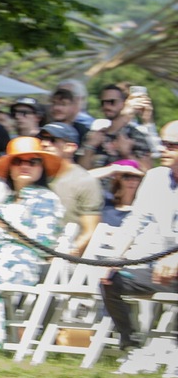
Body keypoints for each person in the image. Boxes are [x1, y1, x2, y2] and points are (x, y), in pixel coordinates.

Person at [0, 136, 65, 346]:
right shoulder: (9, 200)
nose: (25, 166)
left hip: (24, 263)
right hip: (0, 256)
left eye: (33, 161)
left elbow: (43, 244)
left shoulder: (47, 199)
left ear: (41, 168)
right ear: (10, 167)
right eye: (19, 161)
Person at [98, 121, 178, 351]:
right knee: (110, 281)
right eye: (163, 143)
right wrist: (114, 258)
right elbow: (134, 221)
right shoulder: (155, 177)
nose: (163, 149)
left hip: (172, 267)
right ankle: (130, 346)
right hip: (155, 269)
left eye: (172, 145)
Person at [38, 122, 102, 255]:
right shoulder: (35, 175)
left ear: (70, 147)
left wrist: (65, 256)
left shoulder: (85, 181)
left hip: (62, 260)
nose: (44, 144)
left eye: (52, 140)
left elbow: (90, 231)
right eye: (42, 139)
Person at [79, 84, 156, 171]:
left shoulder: (135, 136)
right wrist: (90, 146)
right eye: (103, 102)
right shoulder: (94, 135)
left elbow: (147, 171)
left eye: (112, 102)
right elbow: (82, 172)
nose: (106, 106)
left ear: (123, 103)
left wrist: (127, 154)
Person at [89, 159, 145, 227]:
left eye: (136, 177)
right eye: (126, 176)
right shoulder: (105, 200)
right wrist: (115, 168)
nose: (132, 181)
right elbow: (79, 180)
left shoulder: (144, 209)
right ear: (118, 180)